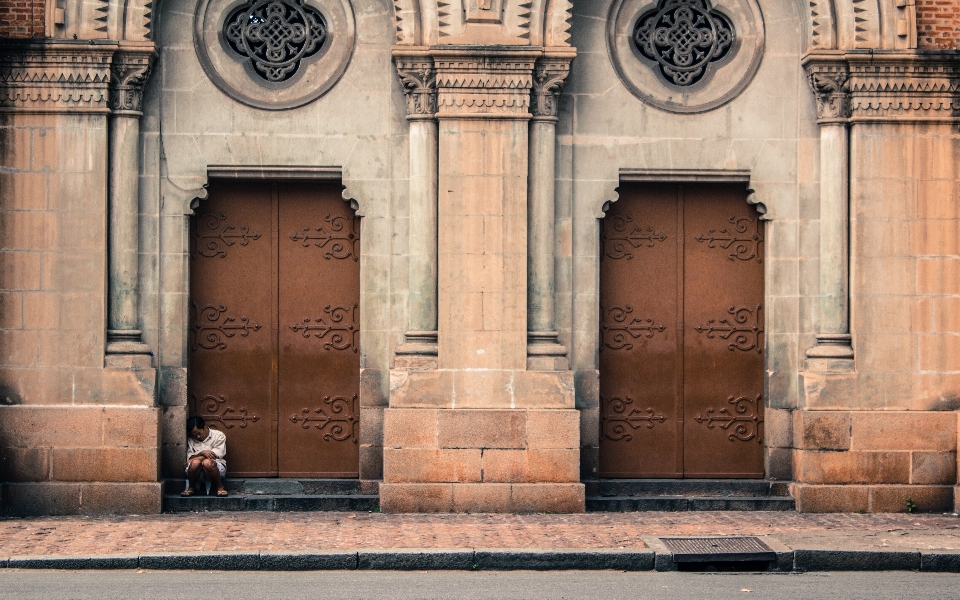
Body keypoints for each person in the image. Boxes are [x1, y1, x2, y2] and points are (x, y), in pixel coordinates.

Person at [182, 416, 228, 497]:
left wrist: (195, 457)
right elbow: (190, 458)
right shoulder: (191, 439)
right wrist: (202, 453)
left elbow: (214, 455)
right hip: (195, 471)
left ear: (204, 427)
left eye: (199, 433)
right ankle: (191, 487)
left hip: (216, 468)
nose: (198, 437)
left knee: (207, 462)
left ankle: (220, 487)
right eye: (194, 435)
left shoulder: (218, 435)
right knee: (195, 463)